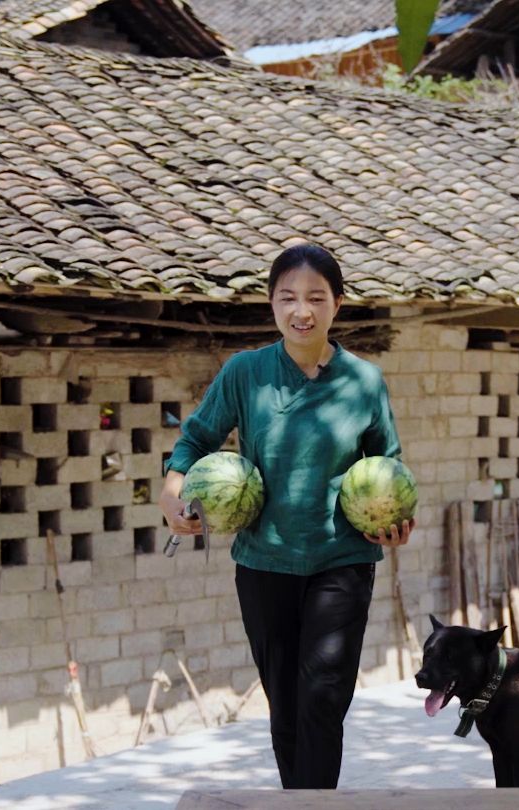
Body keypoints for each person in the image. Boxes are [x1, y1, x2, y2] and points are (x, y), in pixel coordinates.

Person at [159, 243, 414, 789]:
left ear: (337, 305)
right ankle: (298, 800)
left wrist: (394, 520)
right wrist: (173, 489)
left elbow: (387, 464)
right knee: (286, 702)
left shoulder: (364, 382)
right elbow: (197, 438)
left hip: (341, 560)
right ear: (271, 304)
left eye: (316, 298)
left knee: (322, 697)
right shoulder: (245, 373)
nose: (303, 311)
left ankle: (311, 806)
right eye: (288, 298)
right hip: (264, 560)